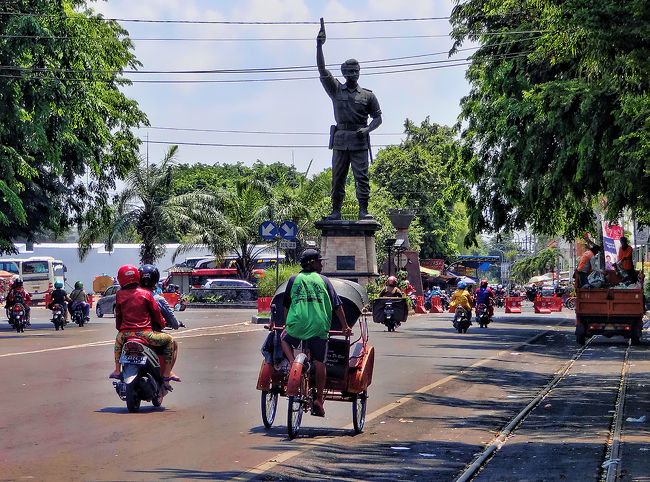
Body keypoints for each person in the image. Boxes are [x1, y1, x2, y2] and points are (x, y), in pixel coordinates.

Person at [317, 19, 382, 220]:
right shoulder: (336, 90)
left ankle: (364, 211)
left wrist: (368, 129)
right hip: (340, 139)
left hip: (359, 139)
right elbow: (321, 70)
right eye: (350, 71)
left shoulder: (368, 95)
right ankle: (336, 211)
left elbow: (378, 117)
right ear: (343, 73)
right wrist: (319, 46)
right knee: (338, 179)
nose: (353, 74)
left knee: (362, 178)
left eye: (356, 71)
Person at [278, 249, 351, 417]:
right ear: (312, 263)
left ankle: (291, 364)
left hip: (296, 326)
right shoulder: (324, 280)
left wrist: (286, 324)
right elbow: (337, 306)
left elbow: (286, 306)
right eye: (319, 261)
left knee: (283, 339)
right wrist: (345, 327)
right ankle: (319, 399)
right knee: (320, 363)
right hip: (319, 327)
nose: (321, 264)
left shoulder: (293, 280)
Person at [109, 265, 181, 391]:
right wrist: (162, 324)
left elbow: (118, 315)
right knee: (170, 340)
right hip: (145, 334)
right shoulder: (147, 294)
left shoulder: (119, 294)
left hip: (125, 335)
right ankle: (167, 373)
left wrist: (120, 329)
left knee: (117, 343)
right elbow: (156, 313)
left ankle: (116, 370)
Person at [139, 264, 185, 378]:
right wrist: (177, 324)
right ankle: (166, 375)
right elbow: (173, 322)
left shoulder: (131, 296)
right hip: (150, 334)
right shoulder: (157, 299)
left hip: (129, 333)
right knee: (173, 343)